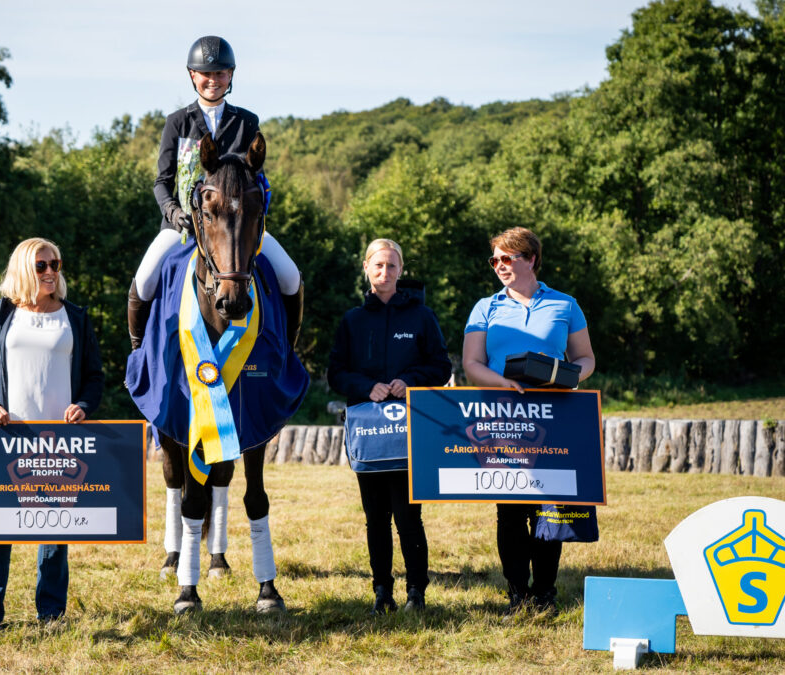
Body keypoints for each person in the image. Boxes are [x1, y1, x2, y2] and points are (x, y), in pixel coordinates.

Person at [128, 35, 303, 574]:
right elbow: (161, 181)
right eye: (205, 75)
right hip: (185, 227)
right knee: (144, 276)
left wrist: (255, 210)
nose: (213, 81)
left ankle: (287, 349)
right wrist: (177, 214)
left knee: (291, 275)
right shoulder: (178, 122)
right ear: (192, 77)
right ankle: (141, 351)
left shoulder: (247, 119)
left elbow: (260, 179)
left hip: (238, 229)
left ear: (231, 76)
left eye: (220, 74)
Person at [0, 237, 104, 626]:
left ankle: (51, 613)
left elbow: (95, 376)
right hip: (8, 437)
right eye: (41, 265)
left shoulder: (75, 316)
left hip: (59, 440)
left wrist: (85, 406)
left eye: (55, 264)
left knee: (55, 529)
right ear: (24, 268)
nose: (49, 272)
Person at [462, 226, 596, 614]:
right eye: (495, 260)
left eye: (508, 258)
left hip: (554, 412)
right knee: (510, 508)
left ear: (531, 258)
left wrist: (567, 376)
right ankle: (518, 592)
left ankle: (546, 593)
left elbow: (586, 359)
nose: (500, 266)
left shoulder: (566, 304)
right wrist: (502, 381)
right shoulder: (485, 307)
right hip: (503, 415)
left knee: (548, 505)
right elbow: (472, 365)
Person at [328, 238, 452, 614]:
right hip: (369, 435)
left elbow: (441, 367)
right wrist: (367, 387)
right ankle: (382, 591)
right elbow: (336, 373)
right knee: (375, 517)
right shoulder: (352, 320)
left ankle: (417, 592)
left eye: (392, 266)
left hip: (410, 434)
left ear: (402, 270)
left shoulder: (421, 316)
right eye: (378, 265)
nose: (385, 272)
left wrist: (408, 380)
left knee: (408, 515)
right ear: (366, 268)